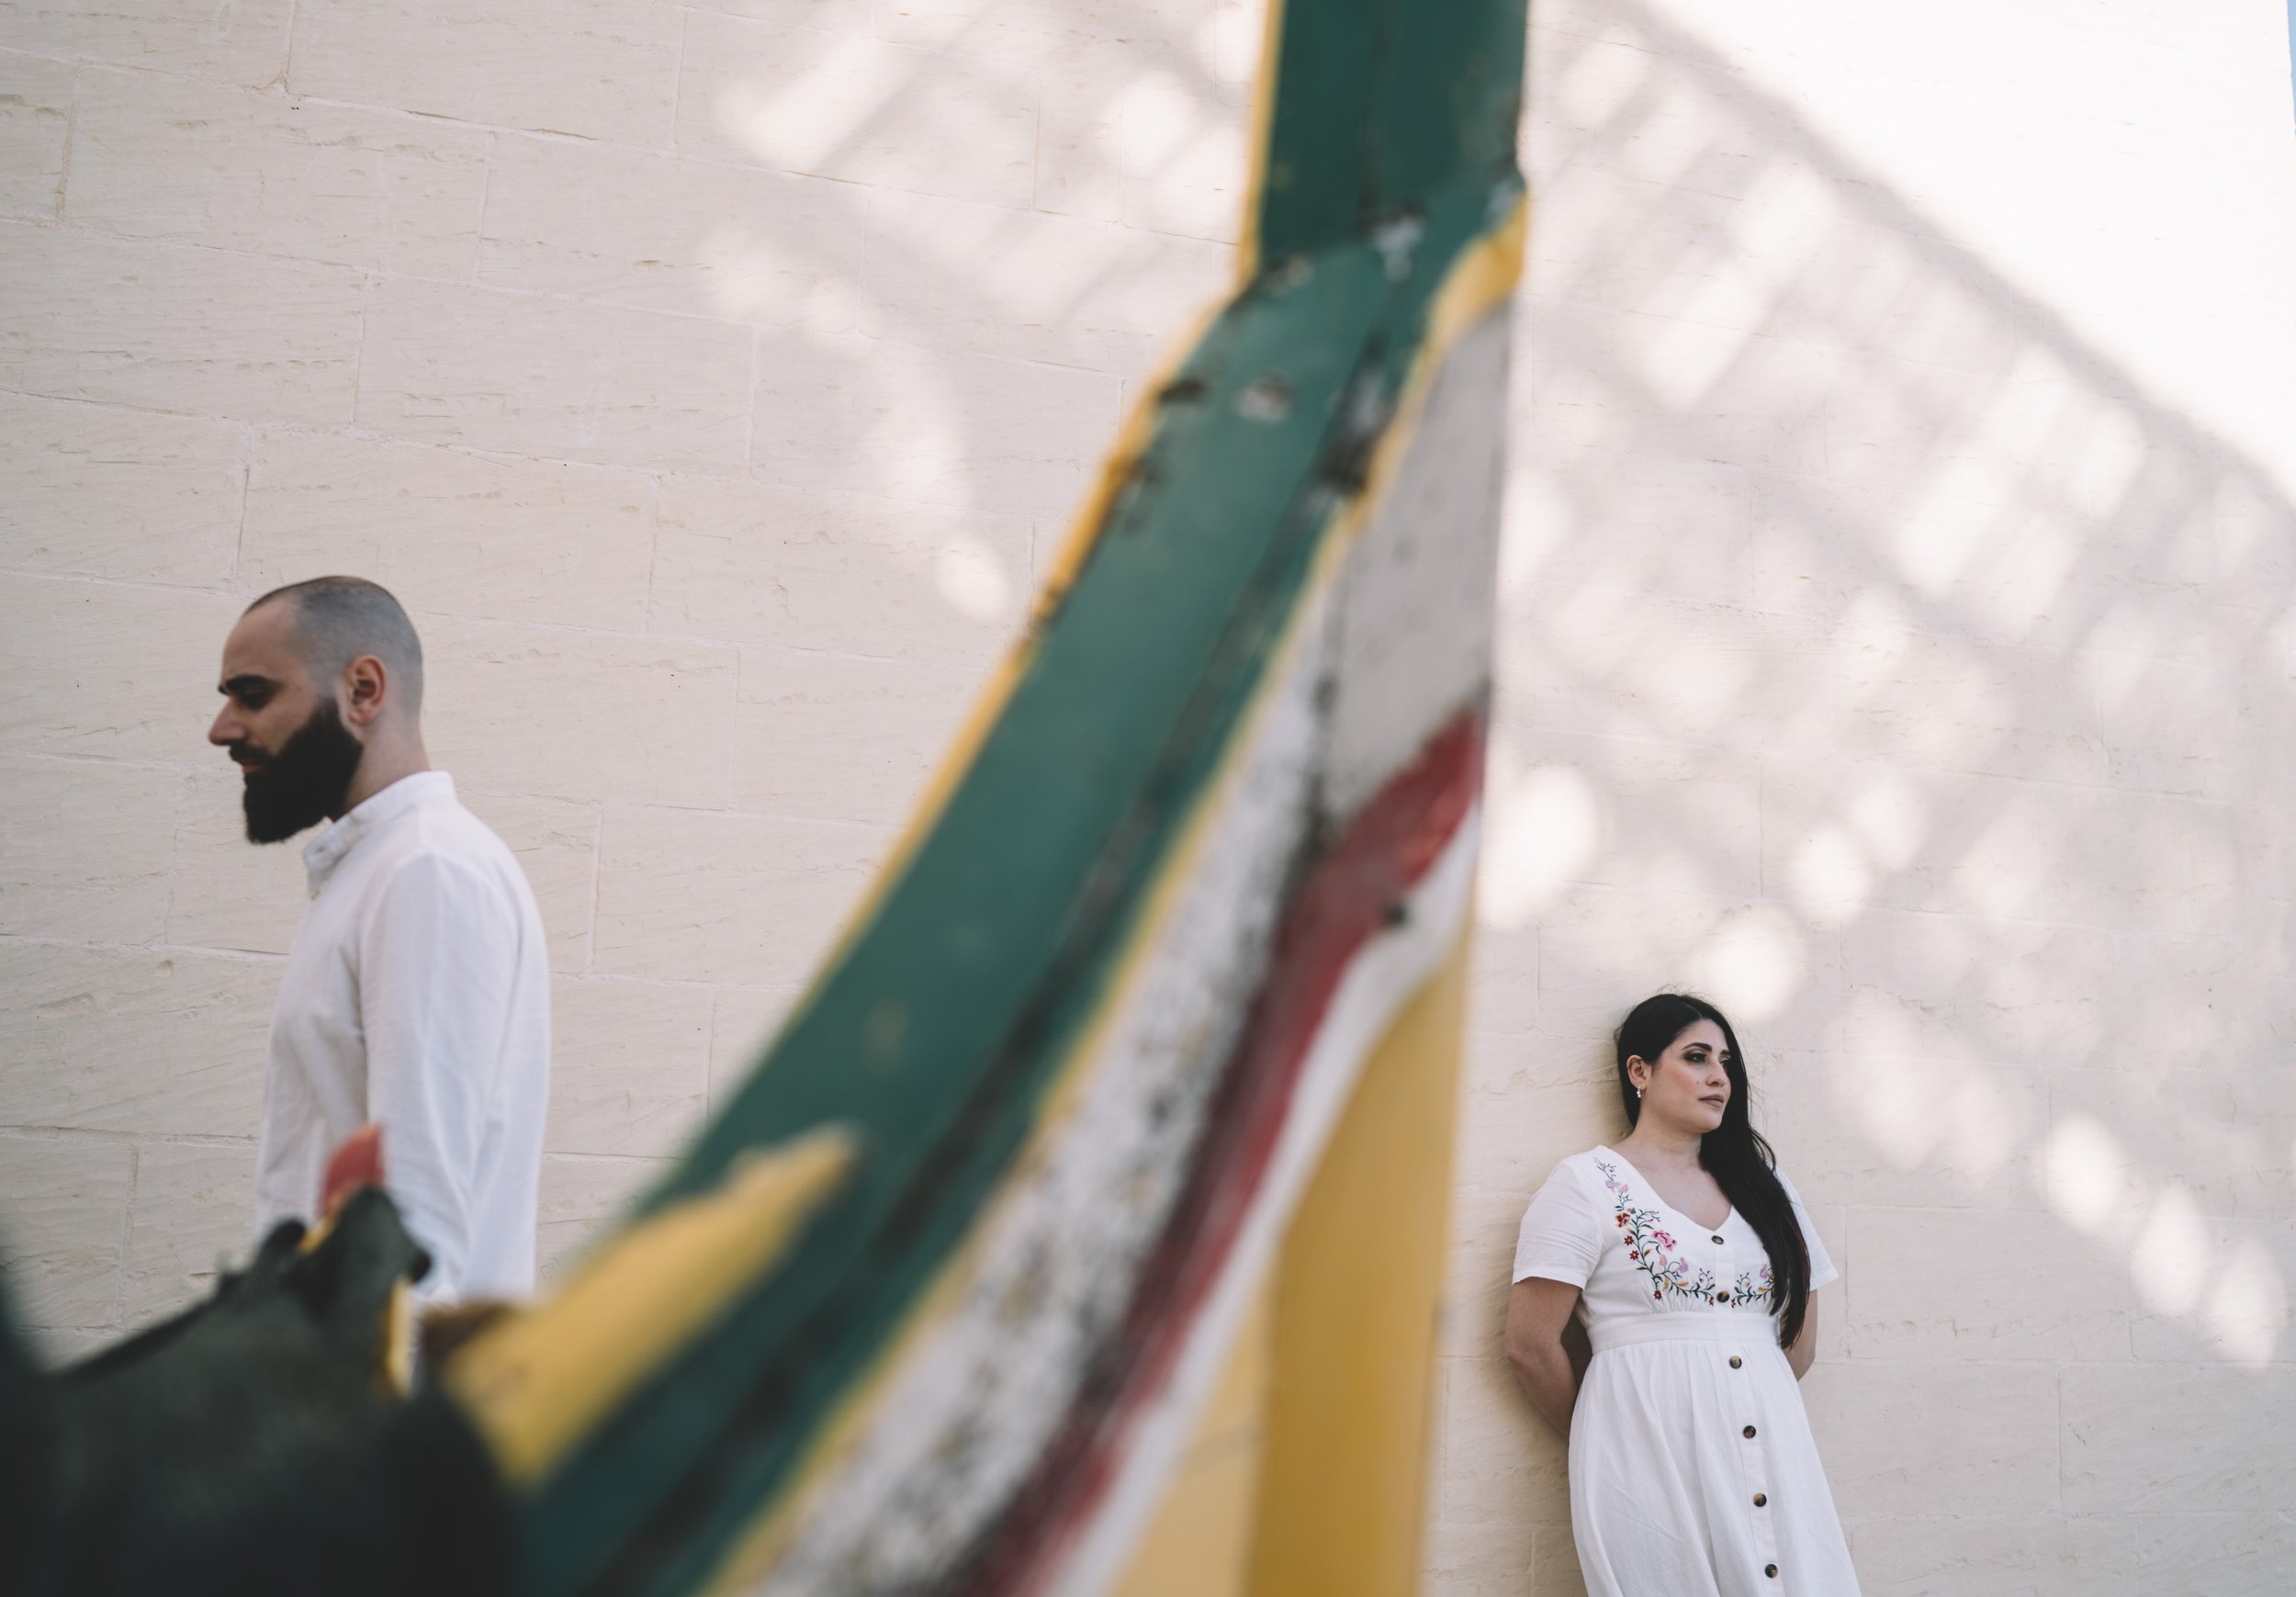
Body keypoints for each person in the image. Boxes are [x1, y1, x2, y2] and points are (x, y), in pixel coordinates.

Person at [208, 576, 549, 1305]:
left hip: (371, 1369)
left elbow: (411, 1232)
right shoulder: (382, 866)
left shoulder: (426, 870)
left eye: (253, 695)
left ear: (363, 690)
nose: (223, 728)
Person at [1503, 994, 1859, 1595]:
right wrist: (1607, 1434)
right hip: (1644, 1465)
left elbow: (1798, 1340)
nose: (1719, 1076)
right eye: (1697, 1057)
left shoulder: (1768, 1189)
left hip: (1775, 1449)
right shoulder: (1585, 1185)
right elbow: (1529, 1345)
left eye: (1726, 1062)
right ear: (1639, 1070)